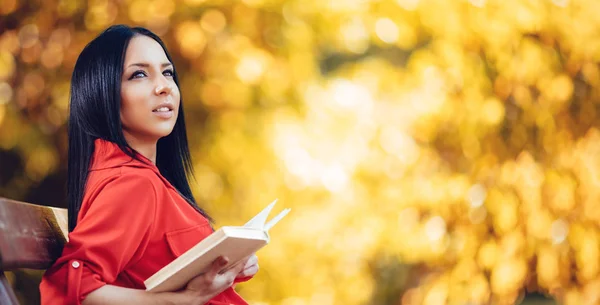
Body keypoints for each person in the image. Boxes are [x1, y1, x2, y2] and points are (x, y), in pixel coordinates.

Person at [39, 25, 258, 305]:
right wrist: (180, 301)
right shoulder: (132, 183)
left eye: (167, 72)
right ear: (102, 94)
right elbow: (65, 288)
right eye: (139, 74)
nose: (164, 86)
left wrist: (230, 264)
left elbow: (152, 268)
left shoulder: (143, 178)